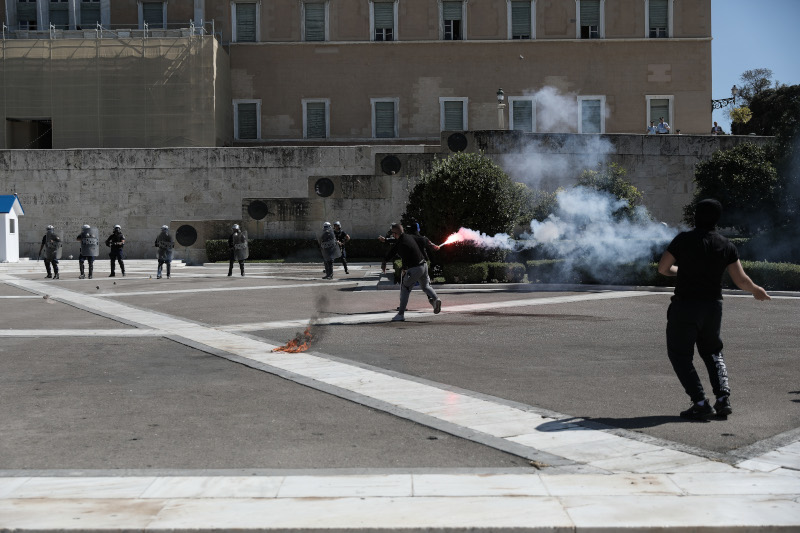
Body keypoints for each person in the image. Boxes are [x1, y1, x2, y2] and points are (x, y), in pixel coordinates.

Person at [657, 199, 770, 420]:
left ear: (695, 216)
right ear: (717, 219)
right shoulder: (726, 245)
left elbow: (663, 268)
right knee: (713, 351)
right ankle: (722, 399)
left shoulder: (683, 240)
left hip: (686, 306)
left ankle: (700, 402)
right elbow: (741, 280)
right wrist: (757, 290)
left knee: (680, 355)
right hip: (712, 307)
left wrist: (684, 271)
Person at [381, 222, 442, 322]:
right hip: (424, 265)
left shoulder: (402, 243)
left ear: (396, 233)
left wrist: (404, 269)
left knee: (405, 288)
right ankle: (436, 299)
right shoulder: (407, 237)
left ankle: (400, 314)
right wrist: (385, 260)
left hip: (415, 268)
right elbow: (394, 249)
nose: (392, 235)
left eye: (393, 233)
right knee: (425, 286)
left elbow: (404, 256)